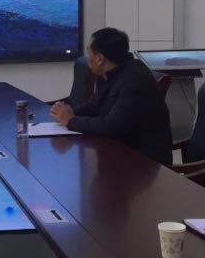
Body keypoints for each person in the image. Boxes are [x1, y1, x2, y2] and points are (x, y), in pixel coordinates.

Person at [50, 28, 173, 165]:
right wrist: (67, 113)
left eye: (89, 52)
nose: (87, 57)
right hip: (118, 152)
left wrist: (71, 120)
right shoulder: (109, 74)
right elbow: (94, 106)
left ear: (99, 59)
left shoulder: (135, 79)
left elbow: (112, 126)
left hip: (144, 162)